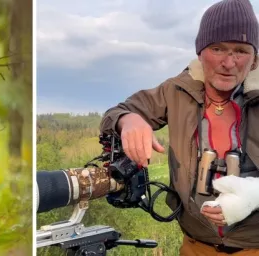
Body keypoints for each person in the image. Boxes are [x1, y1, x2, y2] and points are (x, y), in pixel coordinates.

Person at [100, 0, 259, 255]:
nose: (229, 63)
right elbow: (116, 113)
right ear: (200, 52)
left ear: (254, 59)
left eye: (240, 51)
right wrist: (128, 120)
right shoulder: (176, 91)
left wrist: (253, 195)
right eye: (217, 48)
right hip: (195, 246)